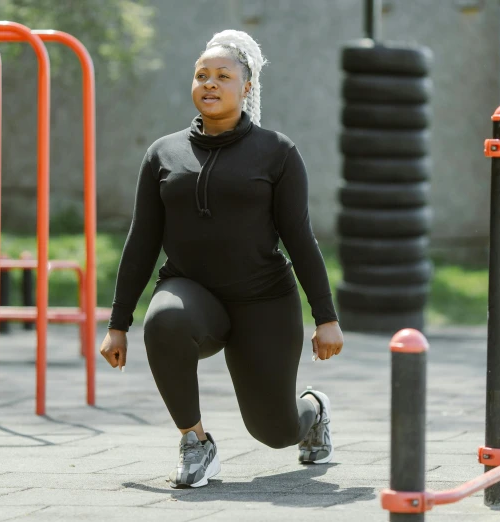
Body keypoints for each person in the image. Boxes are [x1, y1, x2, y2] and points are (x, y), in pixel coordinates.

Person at [99, 29, 344, 489]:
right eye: (201, 75)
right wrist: (118, 324)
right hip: (192, 292)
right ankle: (195, 443)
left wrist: (325, 316)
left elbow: (300, 238)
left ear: (247, 87)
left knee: (274, 432)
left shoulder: (278, 152)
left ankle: (313, 411)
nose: (209, 84)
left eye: (222, 76)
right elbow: (141, 242)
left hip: (264, 300)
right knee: (165, 319)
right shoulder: (163, 154)